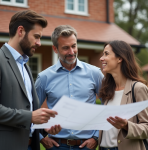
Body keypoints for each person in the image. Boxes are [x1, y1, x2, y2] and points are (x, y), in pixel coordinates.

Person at [35, 25, 104, 150]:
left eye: (74, 46)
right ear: (55, 49)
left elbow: (108, 106)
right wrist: (41, 138)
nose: (71, 52)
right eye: (66, 48)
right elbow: (32, 110)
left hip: (87, 145)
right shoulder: (44, 77)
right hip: (56, 146)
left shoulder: (95, 73)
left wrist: (96, 137)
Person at [0, 10, 61, 150]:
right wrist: (30, 117)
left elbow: (28, 110)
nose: (39, 43)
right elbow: (29, 115)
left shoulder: (25, 66)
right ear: (20, 31)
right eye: (36, 37)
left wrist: (45, 127)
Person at [98, 40, 148, 150]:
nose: (101, 58)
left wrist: (126, 126)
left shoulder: (138, 88)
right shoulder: (108, 89)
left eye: (106, 54)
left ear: (119, 58)